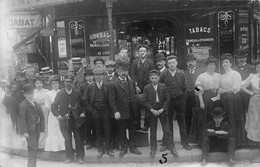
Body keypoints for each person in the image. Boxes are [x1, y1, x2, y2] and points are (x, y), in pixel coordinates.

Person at [142, 69, 178, 158]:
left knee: (167, 130)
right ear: (150, 79)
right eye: (152, 78)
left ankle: (172, 147)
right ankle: (153, 149)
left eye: (156, 78)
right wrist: (152, 110)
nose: (154, 80)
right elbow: (144, 101)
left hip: (162, 110)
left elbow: (167, 99)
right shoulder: (147, 88)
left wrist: (162, 109)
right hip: (152, 111)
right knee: (153, 131)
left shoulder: (163, 86)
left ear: (159, 78)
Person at [51, 75, 86, 164]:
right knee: (67, 139)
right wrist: (58, 115)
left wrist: (83, 112)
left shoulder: (77, 93)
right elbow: (53, 107)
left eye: (70, 82)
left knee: (78, 139)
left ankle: (80, 157)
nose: (68, 83)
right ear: (64, 83)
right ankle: (69, 157)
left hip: (76, 121)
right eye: (67, 82)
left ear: (73, 82)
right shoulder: (60, 94)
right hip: (65, 121)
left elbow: (84, 105)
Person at [160, 55, 192, 151]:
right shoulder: (164, 74)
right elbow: (161, 87)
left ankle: (184, 143)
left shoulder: (181, 73)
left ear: (176, 63)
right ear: (167, 64)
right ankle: (167, 143)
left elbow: (186, 87)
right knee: (168, 122)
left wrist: (183, 99)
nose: (172, 64)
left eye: (173, 62)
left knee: (182, 122)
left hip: (180, 100)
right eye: (169, 63)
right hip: (169, 101)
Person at [85, 67, 117, 158]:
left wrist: (114, 111)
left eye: (100, 75)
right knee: (98, 131)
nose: (98, 77)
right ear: (94, 76)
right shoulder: (90, 87)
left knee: (108, 130)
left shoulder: (108, 85)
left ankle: (108, 149)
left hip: (106, 111)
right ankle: (100, 150)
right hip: (96, 112)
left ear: (103, 76)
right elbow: (86, 101)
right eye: (96, 75)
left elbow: (112, 99)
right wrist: (92, 111)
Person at [113, 61, 142, 158]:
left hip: (131, 110)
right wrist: (115, 111)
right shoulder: (114, 83)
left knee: (132, 129)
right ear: (118, 71)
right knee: (122, 130)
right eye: (122, 70)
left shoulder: (131, 81)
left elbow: (133, 95)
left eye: (126, 70)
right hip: (121, 111)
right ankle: (124, 148)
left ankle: (133, 147)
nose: (124, 72)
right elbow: (112, 100)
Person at [190, 57, 221, 146]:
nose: (212, 66)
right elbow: (196, 88)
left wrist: (219, 93)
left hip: (217, 98)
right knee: (205, 119)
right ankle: (203, 141)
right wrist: (201, 101)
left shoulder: (219, 76)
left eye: (213, 65)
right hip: (206, 98)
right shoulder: (202, 76)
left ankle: (216, 140)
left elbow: (221, 87)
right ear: (207, 66)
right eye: (210, 65)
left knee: (216, 117)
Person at [218, 53, 247, 148]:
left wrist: (223, 91)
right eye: (223, 62)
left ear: (231, 63)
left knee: (235, 120)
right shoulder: (222, 76)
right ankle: (228, 143)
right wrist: (219, 92)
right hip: (225, 100)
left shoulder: (235, 74)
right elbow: (220, 88)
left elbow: (236, 88)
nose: (224, 64)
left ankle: (238, 143)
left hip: (234, 100)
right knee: (227, 119)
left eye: (226, 62)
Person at [131, 45, 156, 131]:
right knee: (136, 106)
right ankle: (137, 124)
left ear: (147, 52)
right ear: (138, 53)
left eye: (144, 51)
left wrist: (149, 86)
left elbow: (153, 74)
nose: (142, 53)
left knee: (147, 106)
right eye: (141, 51)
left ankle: (146, 124)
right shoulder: (135, 62)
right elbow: (132, 75)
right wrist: (135, 85)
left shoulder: (151, 62)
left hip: (147, 87)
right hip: (138, 88)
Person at [19, 84, 45, 167]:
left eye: (31, 93)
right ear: (24, 95)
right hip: (30, 131)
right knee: (32, 149)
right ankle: (30, 165)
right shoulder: (24, 105)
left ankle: (33, 165)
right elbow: (22, 119)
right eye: (28, 94)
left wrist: (42, 128)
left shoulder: (34, 103)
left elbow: (41, 114)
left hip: (36, 129)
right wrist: (25, 132)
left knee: (34, 148)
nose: (30, 96)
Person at [184, 53, 204, 135]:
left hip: (197, 97)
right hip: (187, 98)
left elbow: (202, 84)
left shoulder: (201, 72)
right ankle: (188, 135)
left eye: (192, 61)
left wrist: (195, 90)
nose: (190, 63)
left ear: (195, 62)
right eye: (188, 62)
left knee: (198, 116)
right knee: (187, 117)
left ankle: (197, 135)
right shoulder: (183, 73)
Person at [44, 75, 65, 152]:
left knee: (62, 130)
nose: (55, 85)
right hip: (53, 115)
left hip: (62, 114)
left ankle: (63, 147)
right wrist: (55, 110)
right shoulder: (48, 94)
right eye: (53, 83)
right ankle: (55, 148)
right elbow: (47, 105)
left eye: (56, 83)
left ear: (59, 84)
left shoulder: (62, 92)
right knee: (54, 130)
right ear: (51, 84)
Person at [241, 60, 260, 144]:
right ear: (256, 68)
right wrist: (250, 93)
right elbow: (242, 86)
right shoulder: (253, 76)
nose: (259, 68)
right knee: (255, 120)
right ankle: (255, 141)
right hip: (255, 99)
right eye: (258, 67)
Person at [33, 73, 49, 149]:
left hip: (44, 109)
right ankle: (38, 143)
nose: (39, 85)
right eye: (37, 83)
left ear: (42, 84)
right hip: (36, 109)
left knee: (45, 123)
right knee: (37, 124)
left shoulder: (46, 91)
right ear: (35, 84)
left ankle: (45, 143)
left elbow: (49, 101)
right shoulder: (33, 92)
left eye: (40, 83)